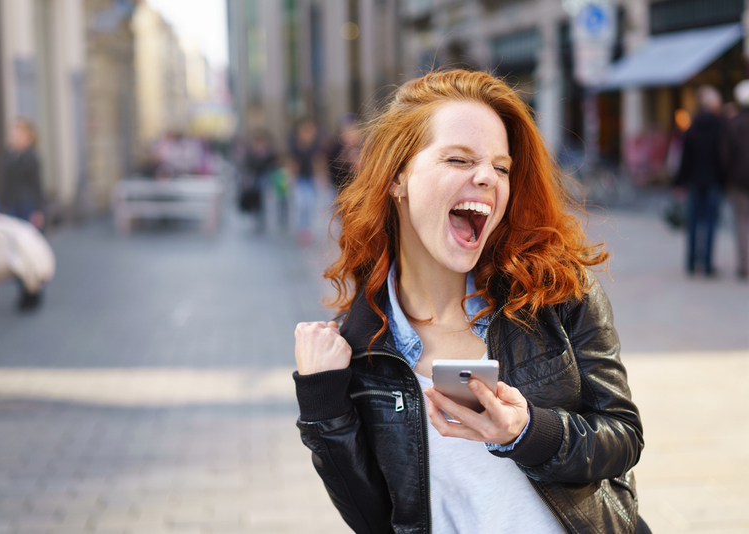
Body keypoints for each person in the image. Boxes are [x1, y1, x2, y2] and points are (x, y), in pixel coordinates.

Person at [293, 69, 649, 533]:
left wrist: (526, 432)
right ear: (397, 177)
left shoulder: (557, 292)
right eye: (459, 160)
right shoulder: (361, 344)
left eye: (501, 167)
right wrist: (322, 402)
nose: (487, 177)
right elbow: (375, 520)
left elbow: (623, 436)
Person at [674, 85, 725, 276]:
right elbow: (723, 157)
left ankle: (691, 262)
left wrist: (679, 182)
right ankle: (707, 264)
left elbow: (685, 159)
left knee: (693, 224)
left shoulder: (692, 127)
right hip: (713, 181)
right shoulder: (720, 127)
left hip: (694, 181)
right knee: (710, 224)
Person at [2, 117, 45, 310]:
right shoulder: (10, 156)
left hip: (26, 206)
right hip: (13, 207)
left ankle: (34, 291)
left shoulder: (31, 157)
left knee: (29, 250)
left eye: (18, 132)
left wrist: (38, 210)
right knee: (15, 251)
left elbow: (37, 187)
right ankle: (23, 290)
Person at [721, 80, 749, 281]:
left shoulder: (733, 124)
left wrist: (728, 177)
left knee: (741, 223)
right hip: (738, 179)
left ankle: (744, 264)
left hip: (738, 181)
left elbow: (725, 156)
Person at [289, 119, 322, 245]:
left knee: (309, 203)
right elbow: (292, 163)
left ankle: (307, 228)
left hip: (310, 179)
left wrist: (320, 177)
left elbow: (317, 162)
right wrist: (291, 177)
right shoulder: (295, 146)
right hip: (299, 179)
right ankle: (301, 227)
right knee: (301, 203)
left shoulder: (315, 146)